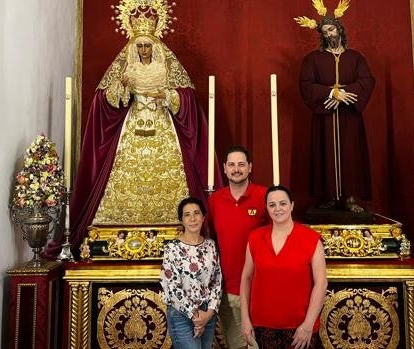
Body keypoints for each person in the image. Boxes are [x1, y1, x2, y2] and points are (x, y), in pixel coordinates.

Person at [45, 13, 221, 258]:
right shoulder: (126, 68)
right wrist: (122, 85)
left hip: (162, 126)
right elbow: (105, 100)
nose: (145, 50)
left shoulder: (168, 67)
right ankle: (111, 230)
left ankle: (175, 228)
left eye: (148, 45)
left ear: (155, 45)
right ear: (134, 47)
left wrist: (168, 96)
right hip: (133, 126)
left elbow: (188, 98)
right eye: (140, 46)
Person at [299, 14, 375, 212]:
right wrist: (331, 93)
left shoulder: (355, 58)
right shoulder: (312, 60)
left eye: (331, 30)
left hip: (349, 116)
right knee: (325, 153)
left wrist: (345, 94)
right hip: (325, 117)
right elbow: (306, 85)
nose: (328, 35)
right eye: (324, 32)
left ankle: (351, 198)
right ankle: (329, 197)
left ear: (340, 30)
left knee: (351, 154)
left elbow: (366, 80)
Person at [240, 186, 327, 349]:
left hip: (300, 328)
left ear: (292, 205)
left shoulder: (311, 238)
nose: (278, 209)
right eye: (272, 205)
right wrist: (245, 319)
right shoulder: (255, 237)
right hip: (262, 326)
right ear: (266, 208)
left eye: (283, 203)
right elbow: (246, 278)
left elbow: (321, 284)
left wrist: (308, 325)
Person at [208, 145, 267, 349]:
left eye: (241, 164)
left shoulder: (265, 197)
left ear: (250, 167)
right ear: (224, 168)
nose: (236, 169)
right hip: (227, 292)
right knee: (237, 347)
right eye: (231, 165)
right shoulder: (214, 201)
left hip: (258, 290)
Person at [161, 197, 222, 349]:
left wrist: (208, 314)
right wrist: (195, 317)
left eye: (196, 213)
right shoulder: (172, 248)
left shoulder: (211, 245)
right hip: (181, 314)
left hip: (207, 313)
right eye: (187, 214)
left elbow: (217, 281)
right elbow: (172, 286)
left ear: (203, 217)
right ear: (181, 220)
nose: (193, 218)